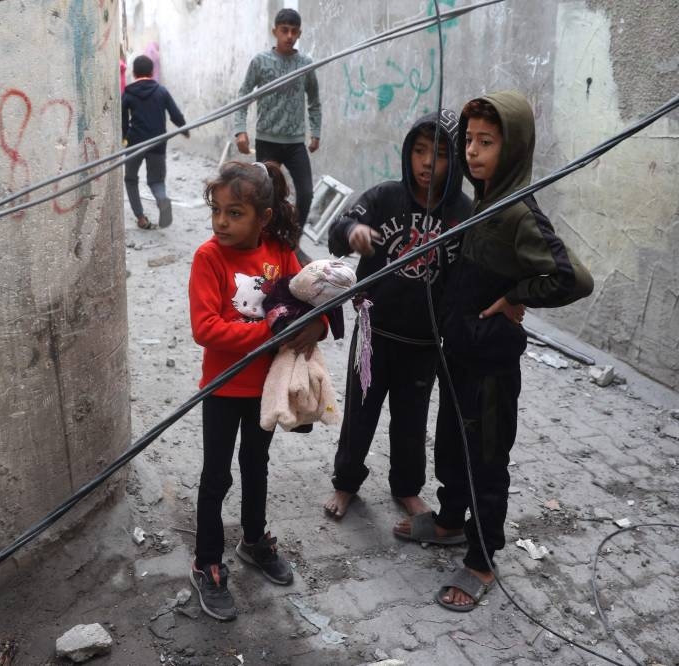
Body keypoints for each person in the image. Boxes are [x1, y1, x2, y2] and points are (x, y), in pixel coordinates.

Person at [393, 91, 593, 612]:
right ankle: (448, 521)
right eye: (470, 141)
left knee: (485, 461)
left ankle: (481, 558)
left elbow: (572, 277)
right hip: (459, 354)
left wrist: (515, 296)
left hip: (490, 368)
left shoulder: (518, 213)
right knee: (453, 447)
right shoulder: (484, 202)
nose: (474, 153)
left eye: (487, 142)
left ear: (516, 146)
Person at [188, 160, 326, 621]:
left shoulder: (280, 253)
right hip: (224, 390)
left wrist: (317, 327)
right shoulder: (209, 258)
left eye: (235, 213)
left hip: (265, 390)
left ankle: (252, 540)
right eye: (218, 211)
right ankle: (207, 561)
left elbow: (310, 298)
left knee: (256, 464)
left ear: (262, 217)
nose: (221, 223)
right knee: (216, 475)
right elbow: (206, 328)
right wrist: (271, 333)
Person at [322, 109, 473, 520]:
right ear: (408, 152)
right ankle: (346, 483)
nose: (426, 162)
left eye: (439, 153)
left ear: (454, 161)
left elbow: (468, 277)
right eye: (419, 150)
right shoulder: (385, 197)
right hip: (375, 336)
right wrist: (352, 234)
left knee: (411, 421)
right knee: (359, 413)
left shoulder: (462, 214)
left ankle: (406, 488)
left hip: (424, 342)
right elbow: (340, 228)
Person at [233, 8, 321, 240]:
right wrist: (240, 130)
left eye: (294, 31)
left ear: (299, 33)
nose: (289, 36)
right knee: (265, 194)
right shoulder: (261, 62)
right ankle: (266, 240)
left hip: (294, 142)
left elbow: (314, 101)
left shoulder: (305, 63)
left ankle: (293, 241)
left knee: (305, 193)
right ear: (275, 31)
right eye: (284, 30)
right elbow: (243, 96)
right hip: (267, 140)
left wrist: (316, 132)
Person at [121, 54, 188, 230]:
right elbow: (175, 114)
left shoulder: (128, 93)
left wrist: (124, 138)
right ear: (152, 72)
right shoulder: (161, 91)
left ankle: (141, 218)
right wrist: (184, 128)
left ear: (134, 73)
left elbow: (122, 120)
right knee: (156, 180)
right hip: (158, 141)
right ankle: (161, 199)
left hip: (135, 142)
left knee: (130, 179)